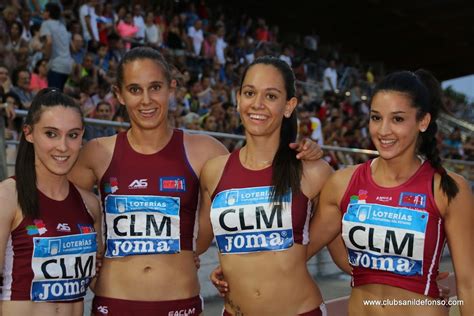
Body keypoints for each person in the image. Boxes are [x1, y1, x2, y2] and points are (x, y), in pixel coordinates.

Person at [67, 47, 321, 316]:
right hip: (113, 301)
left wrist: (303, 151)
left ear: (171, 89)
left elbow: (258, 185)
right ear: (119, 94)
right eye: (134, 89)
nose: (146, 100)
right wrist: (90, 251)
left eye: (155, 87)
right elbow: (59, 202)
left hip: (180, 301)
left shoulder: (205, 151)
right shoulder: (97, 152)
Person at [307, 70, 473, 315]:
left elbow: (468, 285)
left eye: (397, 119)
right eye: (376, 117)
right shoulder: (343, 183)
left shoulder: (447, 188)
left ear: (423, 122)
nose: (383, 130)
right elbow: (300, 252)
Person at [196, 56, 333, 316]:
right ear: (238, 99)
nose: (257, 104)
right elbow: (197, 243)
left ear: (289, 105)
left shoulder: (313, 171)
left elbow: (348, 256)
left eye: (271, 96)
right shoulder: (214, 171)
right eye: (250, 93)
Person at [0, 88, 102, 316]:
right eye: (51, 134)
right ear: (28, 133)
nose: (63, 147)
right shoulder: (7, 197)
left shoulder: (90, 205)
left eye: (73, 135)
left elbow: (98, 283)